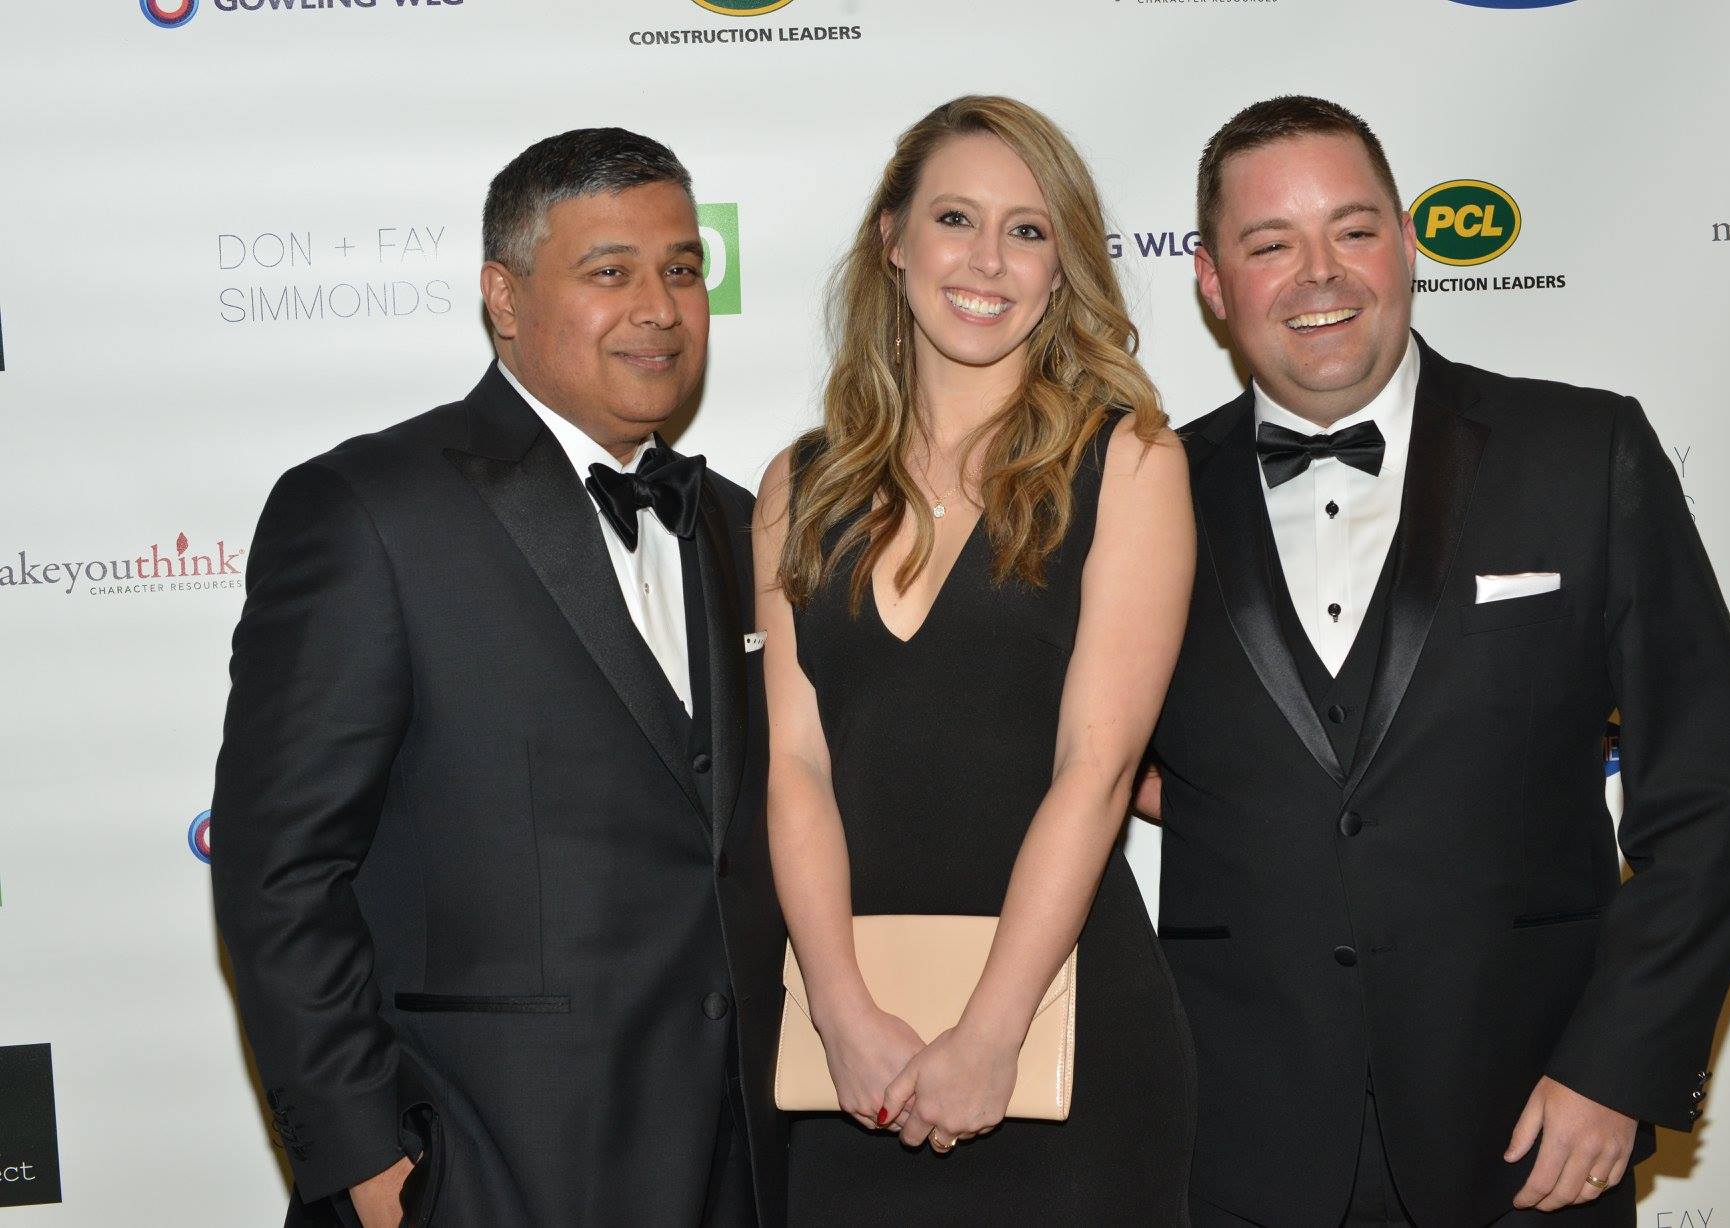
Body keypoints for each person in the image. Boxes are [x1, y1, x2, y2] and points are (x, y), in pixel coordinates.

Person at [1141, 96, 1730, 1227]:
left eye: (1352, 229)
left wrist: (1616, 1070)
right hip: (1232, 1142)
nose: (1319, 273)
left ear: (1406, 241)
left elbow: (1712, 788)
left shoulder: (1583, 453)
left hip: (1533, 1133)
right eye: (1269, 243)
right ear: (1211, 280)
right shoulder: (1137, 497)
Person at [211, 127, 786, 1228]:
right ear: (504, 298)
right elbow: (278, 865)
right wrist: (367, 1160)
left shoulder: (736, 523)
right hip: (485, 1165)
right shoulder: (370, 510)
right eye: (609, 272)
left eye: (681, 269)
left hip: (737, 1162)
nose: (660, 308)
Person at [752, 95, 1198, 1224]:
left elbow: (1096, 770)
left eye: (1028, 230)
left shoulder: (1128, 463)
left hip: (1064, 1033)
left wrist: (994, 1032)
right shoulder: (799, 485)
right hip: (853, 1050)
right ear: (892, 240)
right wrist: (839, 1014)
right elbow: (795, 767)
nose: (988, 259)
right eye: (955, 217)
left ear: (1061, 270)